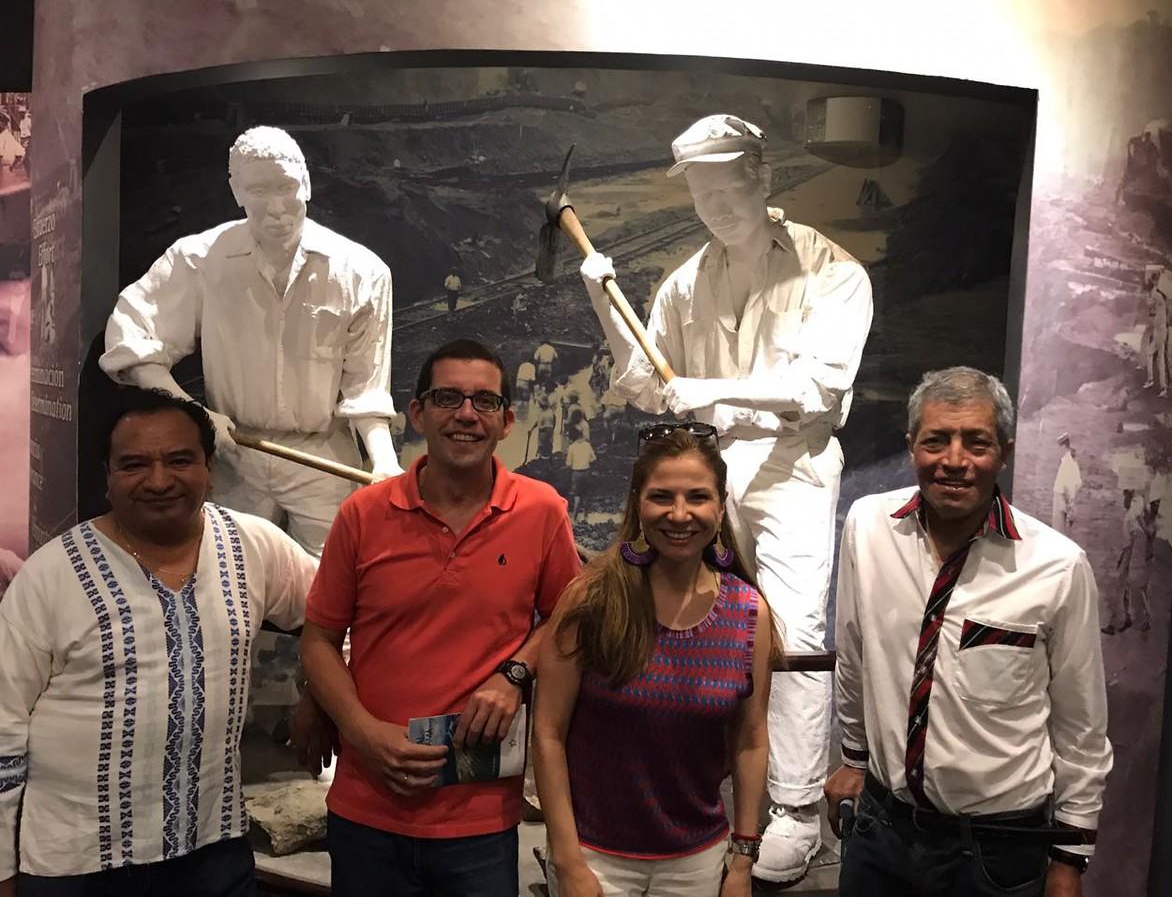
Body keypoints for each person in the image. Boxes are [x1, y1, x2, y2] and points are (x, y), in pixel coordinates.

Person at [580, 113, 873, 882]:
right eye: (701, 195)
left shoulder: (831, 271)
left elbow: (817, 388)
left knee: (793, 633)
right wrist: (604, 303)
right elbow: (650, 385)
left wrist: (708, 388)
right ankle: (709, 792)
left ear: (762, 177)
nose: (715, 207)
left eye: (727, 188)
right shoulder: (686, 282)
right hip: (708, 468)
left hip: (791, 462)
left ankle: (796, 810)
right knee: (696, 620)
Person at [0, 387, 318, 897]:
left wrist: (318, 696)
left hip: (213, 851)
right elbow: (3, 726)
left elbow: (334, 612)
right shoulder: (52, 575)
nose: (159, 480)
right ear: (107, 476)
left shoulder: (252, 545)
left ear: (209, 470)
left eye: (179, 460)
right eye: (134, 464)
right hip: (78, 863)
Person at [299, 339, 581, 896]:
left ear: (506, 421)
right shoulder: (363, 514)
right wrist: (361, 731)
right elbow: (318, 640)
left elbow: (567, 617)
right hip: (366, 810)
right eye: (448, 398)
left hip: (479, 819)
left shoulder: (542, 510)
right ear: (418, 413)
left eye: (485, 401)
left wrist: (514, 674)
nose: (466, 414)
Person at [825, 366, 1112, 897]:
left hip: (995, 851)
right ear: (911, 446)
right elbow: (855, 653)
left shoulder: (1058, 566)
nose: (954, 461)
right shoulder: (868, 527)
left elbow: (1081, 725)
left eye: (976, 443)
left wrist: (1070, 855)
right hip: (882, 832)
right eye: (936, 440)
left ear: (1004, 452)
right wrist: (854, 757)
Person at [100, 125, 401, 557]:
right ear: (236, 192)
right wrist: (194, 415)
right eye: (259, 191)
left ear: (306, 183)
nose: (276, 208)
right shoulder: (200, 259)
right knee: (229, 575)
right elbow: (130, 335)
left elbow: (366, 388)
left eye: (285, 187)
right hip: (235, 453)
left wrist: (384, 461)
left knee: (334, 578)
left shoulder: (361, 271)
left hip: (323, 457)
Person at [535, 423, 776, 897]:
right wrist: (568, 860)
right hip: (595, 858)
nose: (679, 514)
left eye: (698, 497)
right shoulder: (593, 599)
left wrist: (742, 861)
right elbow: (547, 733)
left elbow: (751, 740)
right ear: (638, 503)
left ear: (720, 506)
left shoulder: (749, 613)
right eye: (662, 497)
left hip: (697, 862)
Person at [1103, 490, 1156, 635]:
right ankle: (1128, 618)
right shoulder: (1133, 514)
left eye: (1126, 497)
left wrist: (1128, 558)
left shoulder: (1133, 515)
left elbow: (1136, 533)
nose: (1124, 500)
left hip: (1131, 555)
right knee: (1130, 588)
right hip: (1130, 553)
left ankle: (1117, 622)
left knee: (1124, 587)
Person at [1141, 265, 1170, 398]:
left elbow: (1149, 303)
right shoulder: (1161, 298)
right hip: (1161, 330)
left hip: (1160, 331)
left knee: (1149, 353)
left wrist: (1154, 281)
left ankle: (1151, 380)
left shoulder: (1157, 296)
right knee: (1160, 360)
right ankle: (1163, 387)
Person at [1050, 433, 1081, 533]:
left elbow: (1070, 488)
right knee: (1058, 529)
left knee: (1059, 530)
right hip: (1061, 498)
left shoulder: (1069, 464)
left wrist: (1070, 508)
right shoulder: (1067, 462)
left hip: (1062, 500)